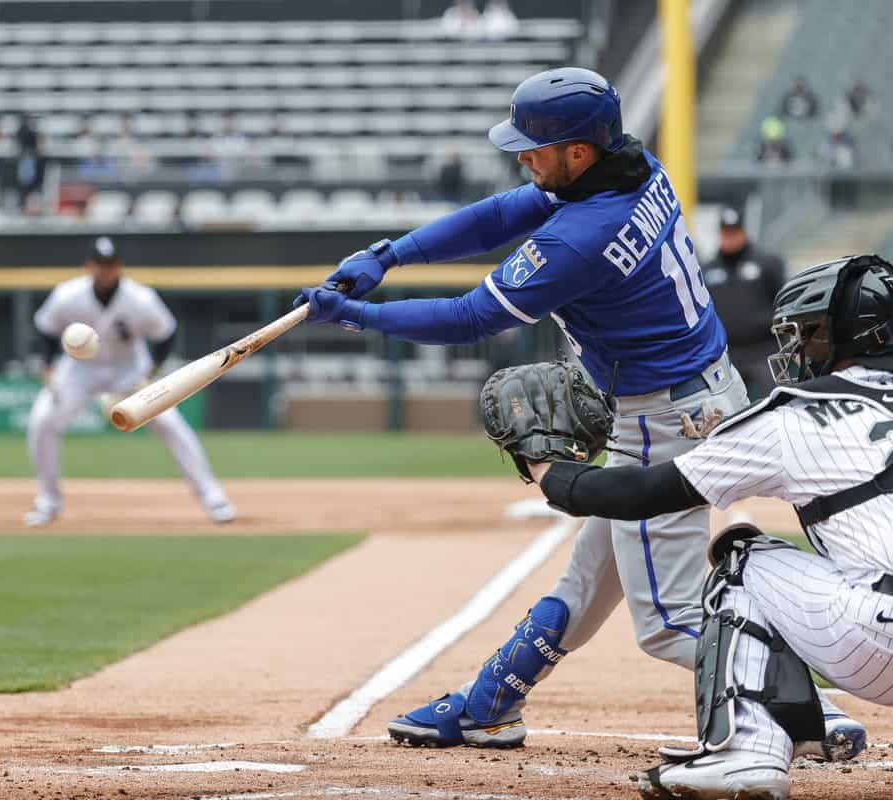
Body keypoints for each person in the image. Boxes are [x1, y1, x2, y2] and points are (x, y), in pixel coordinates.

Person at [295, 66, 864, 757]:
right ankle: (489, 706)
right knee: (591, 576)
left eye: (535, 147)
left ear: (578, 151)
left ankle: (816, 714)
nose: (523, 158)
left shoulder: (583, 234)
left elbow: (473, 316)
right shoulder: (633, 167)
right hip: (685, 399)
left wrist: (357, 316)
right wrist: (391, 254)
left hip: (666, 420)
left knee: (668, 619)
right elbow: (505, 212)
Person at [528, 254, 893, 800]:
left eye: (803, 335)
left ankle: (748, 750)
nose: (794, 350)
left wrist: (546, 470)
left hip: (880, 641)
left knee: (742, 558)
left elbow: (643, 494)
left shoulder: (796, 414)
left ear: (833, 336)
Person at [25, 236, 236, 527]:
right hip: (78, 371)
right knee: (42, 420)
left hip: (129, 370)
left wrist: (149, 373)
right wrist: (48, 366)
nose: (105, 270)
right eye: (100, 264)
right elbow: (46, 329)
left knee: (170, 424)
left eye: (110, 264)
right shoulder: (67, 295)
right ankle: (48, 503)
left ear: (119, 266)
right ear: (90, 265)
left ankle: (214, 498)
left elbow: (166, 334)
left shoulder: (140, 299)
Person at [702, 206, 786, 397]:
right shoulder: (707, 270)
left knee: (776, 400)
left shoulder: (767, 263)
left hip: (763, 350)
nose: (730, 238)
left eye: (735, 232)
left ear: (744, 232)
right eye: (726, 233)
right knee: (723, 408)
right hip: (726, 354)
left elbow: (783, 304)